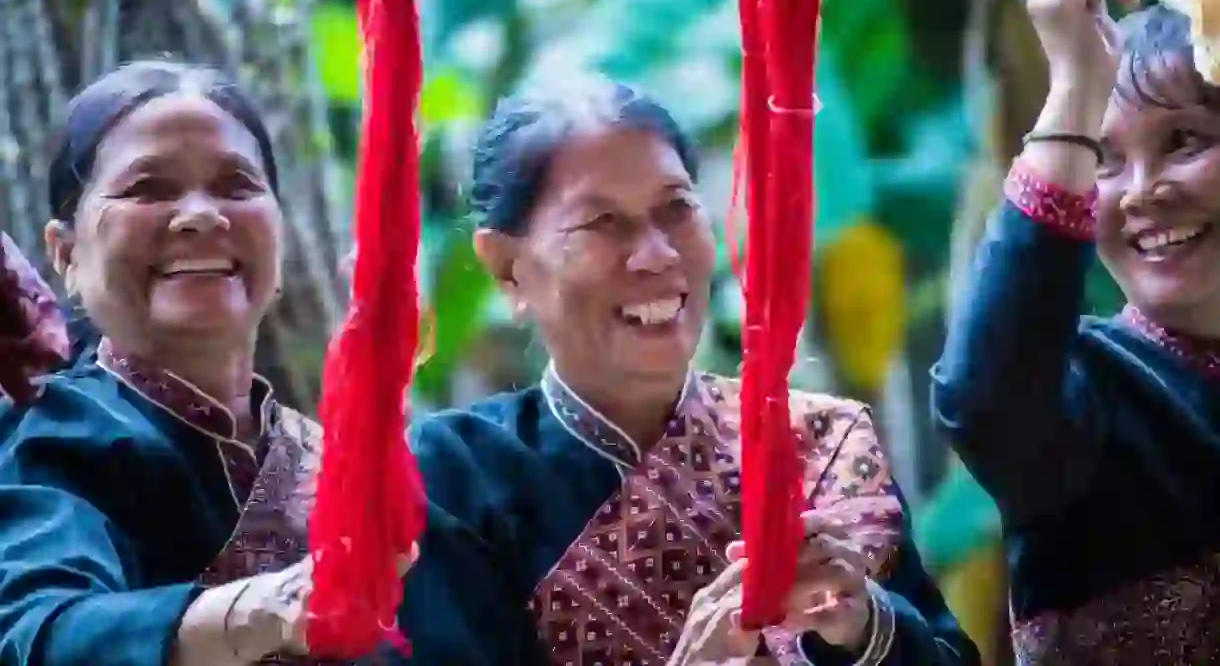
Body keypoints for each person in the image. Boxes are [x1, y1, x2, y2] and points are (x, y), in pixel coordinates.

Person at [395, 78, 979, 666]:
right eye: (600, 223)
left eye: (676, 209)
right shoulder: (454, 476)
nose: (657, 254)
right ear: (507, 268)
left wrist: (868, 626)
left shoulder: (820, 445)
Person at [0, 60, 407, 665]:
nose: (201, 215)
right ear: (66, 252)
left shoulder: (335, 463)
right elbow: (41, 633)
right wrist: (266, 608)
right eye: (147, 188)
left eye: (237, 186)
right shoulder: (50, 439)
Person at [932, 0, 1220, 663]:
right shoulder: (1090, 392)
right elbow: (980, 400)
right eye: (1107, 159)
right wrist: (1075, 84)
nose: (1143, 190)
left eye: (1184, 141)